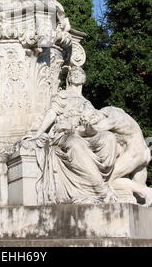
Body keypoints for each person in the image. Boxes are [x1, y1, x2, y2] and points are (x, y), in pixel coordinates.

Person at [23, 67, 118, 204]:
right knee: (75, 144)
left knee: (109, 137)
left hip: (83, 132)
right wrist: (38, 133)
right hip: (64, 134)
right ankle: (97, 189)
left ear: (84, 79)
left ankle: (102, 180)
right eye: (74, 73)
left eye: (81, 73)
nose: (77, 74)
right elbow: (51, 114)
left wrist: (88, 125)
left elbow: (93, 125)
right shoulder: (63, 95)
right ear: (69, 79)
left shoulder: (87, 103)